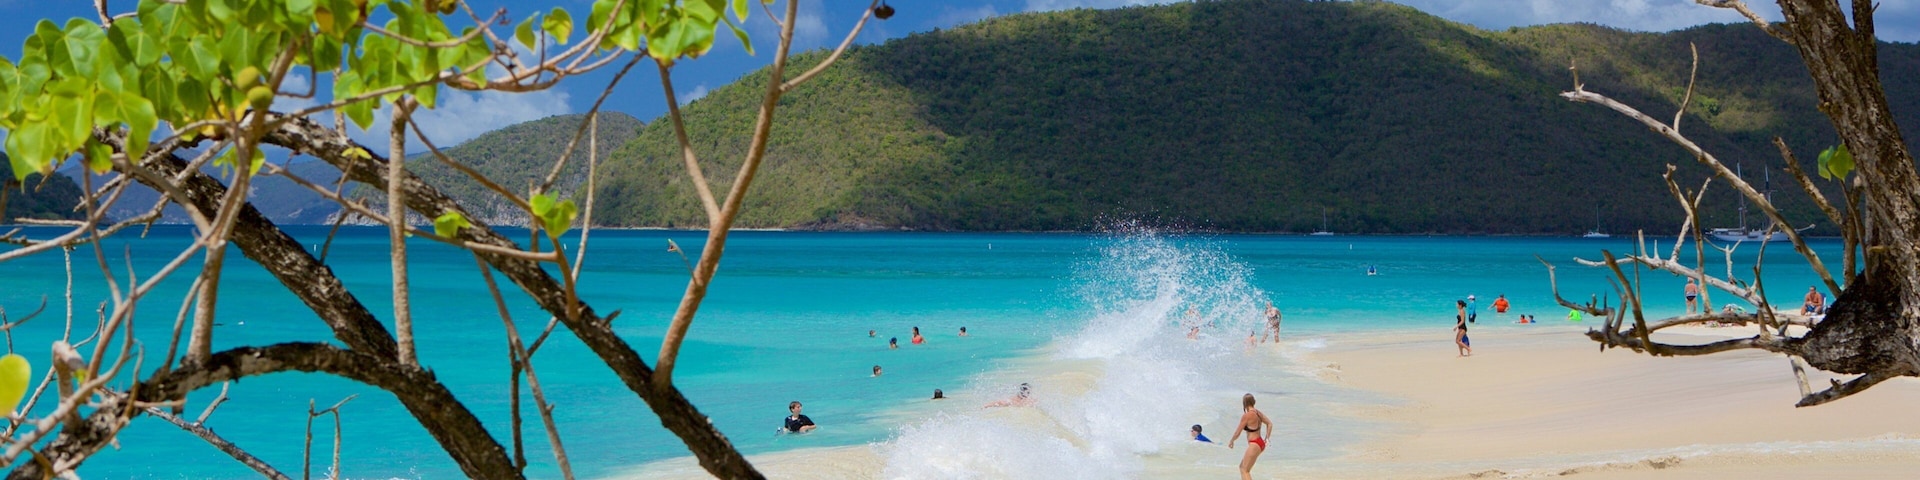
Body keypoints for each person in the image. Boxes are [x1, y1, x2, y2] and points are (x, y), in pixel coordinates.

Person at [1226, 393, 1274, 480]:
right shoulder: (1258, 413)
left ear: (1244, 403)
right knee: (1242, 467)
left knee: (1245, 470)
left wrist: (1231, 441)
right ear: (1253, 402)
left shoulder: (1247, 415)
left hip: (1254, 444)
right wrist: (1267, 438)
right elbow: (1269, 424)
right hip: (1260, 442)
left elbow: (1237, 432)